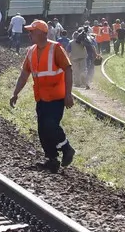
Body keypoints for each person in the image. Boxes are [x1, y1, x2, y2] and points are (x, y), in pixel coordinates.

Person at [9, 19, 76, 172]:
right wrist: (15, 93)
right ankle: (51, 159)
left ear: (41, 33)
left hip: (56, 97)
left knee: (50, 125)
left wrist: (68, 94)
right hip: (41, 97)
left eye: (31, 31)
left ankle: (66, 148)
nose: (29, 34)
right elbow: (24, 74)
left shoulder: (56, 48)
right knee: (42, 130)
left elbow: (68, 69)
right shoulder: (31, 51)